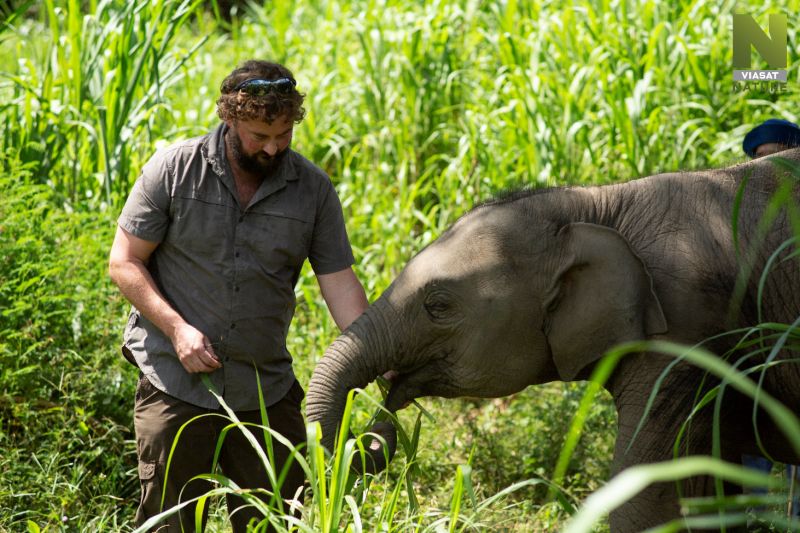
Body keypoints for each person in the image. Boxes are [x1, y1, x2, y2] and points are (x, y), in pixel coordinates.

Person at [108, 60, 369, 532]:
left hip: (263, 389)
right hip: (176, 382)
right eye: (258, 136)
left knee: (275, 521)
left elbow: (340, 283)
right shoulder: (174, 170)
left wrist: (378, 352)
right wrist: (177, 328)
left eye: (284, 135)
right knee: (170, 524)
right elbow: (124, 262)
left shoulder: (313, 190)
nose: (273, 148)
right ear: (230, 117)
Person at [741, 117, 800, 520]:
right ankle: (758, 519)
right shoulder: (742, 218)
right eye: (759, 163)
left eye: (777, 160)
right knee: (752, 443)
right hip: (756, 355)